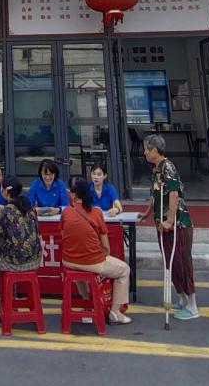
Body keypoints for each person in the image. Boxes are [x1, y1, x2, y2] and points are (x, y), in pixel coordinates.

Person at [60, 176, 131, 325]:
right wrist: (104, 257)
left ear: (73, 195)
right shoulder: (96, 213)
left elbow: (63, 236)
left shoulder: (66, 212)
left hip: (69, 261)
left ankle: (88, 301)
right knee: (124, 270)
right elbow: (106, 246)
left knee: (78, 268)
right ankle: (115, 312)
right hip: (93, 262)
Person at [142, 134, 197, 320]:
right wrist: (146, 213)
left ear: (154, 150)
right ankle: (181, 298)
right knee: (169, 262)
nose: (144, 153)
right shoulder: (156, 170)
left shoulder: (168, 167)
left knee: (182, 262)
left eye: (146, 149)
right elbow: (155, 195)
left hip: (178, 224)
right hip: (162, 223)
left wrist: (170, 220)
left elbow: (174, 194)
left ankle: (192, 305)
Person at [0, 177, 42, 322]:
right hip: (34, 261)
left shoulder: (4, 211)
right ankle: (10, 301)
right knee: (6, 257)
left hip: (15, 263)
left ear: (6, 191)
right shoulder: (30, 209)